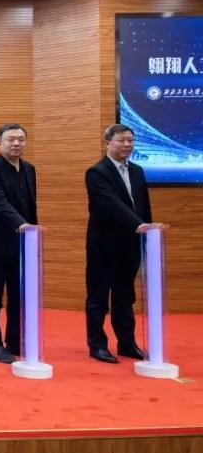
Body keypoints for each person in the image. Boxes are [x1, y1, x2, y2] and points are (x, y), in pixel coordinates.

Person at [85, 124, 157, 364]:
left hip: (131, 244)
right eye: (121, 140)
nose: (127, 144)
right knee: (98, 297)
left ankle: (126, 343)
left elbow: (143, 205)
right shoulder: (96, 172)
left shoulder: (137, 170)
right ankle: (97, 345)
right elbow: (111, 204)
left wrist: (148, 231)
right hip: (104, 245)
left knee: (125, 297)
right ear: (108, 143)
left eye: (130, 140)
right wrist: (139, 224)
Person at [0, 123, 38, 364]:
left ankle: (15, 341)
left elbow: (30, 205)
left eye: (20, 139)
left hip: (23, 244)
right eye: (10, 139)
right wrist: (22, 224)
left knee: (18, 296)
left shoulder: (29, 168)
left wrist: (31, 232)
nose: (16, 143)